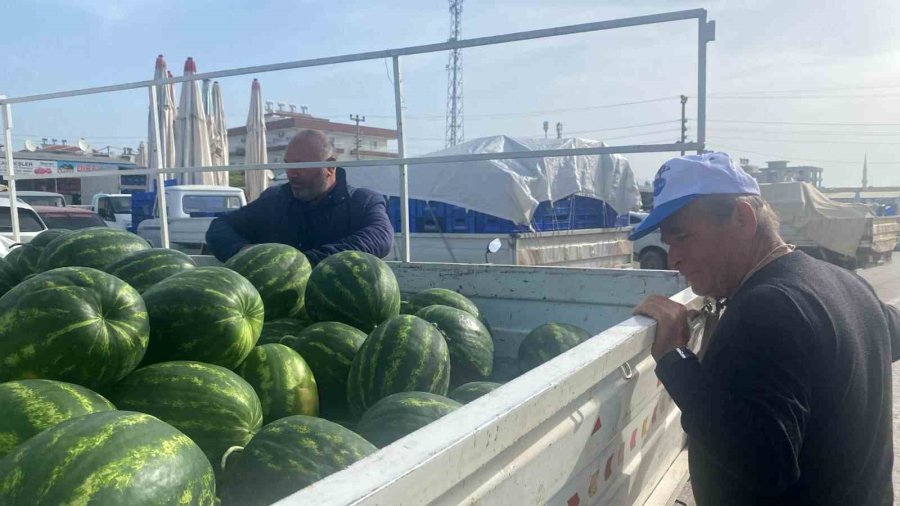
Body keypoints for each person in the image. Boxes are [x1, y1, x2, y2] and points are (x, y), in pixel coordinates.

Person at [630, 152, 900, 505]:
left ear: (742, 219)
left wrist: (674, 359)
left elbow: (766, 465)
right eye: (668, 243)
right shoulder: (844, 282)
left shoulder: (768, 308)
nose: (673, 258)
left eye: (681, 237)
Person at [206, 129, 393, 264]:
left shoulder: (363, 202)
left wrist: (300, 265)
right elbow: (219, 227)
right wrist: (245, 253)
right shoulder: (274, 200)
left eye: (301, 165)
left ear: (330, 167)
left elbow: (380, 236)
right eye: (288, 165)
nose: (291, 174)